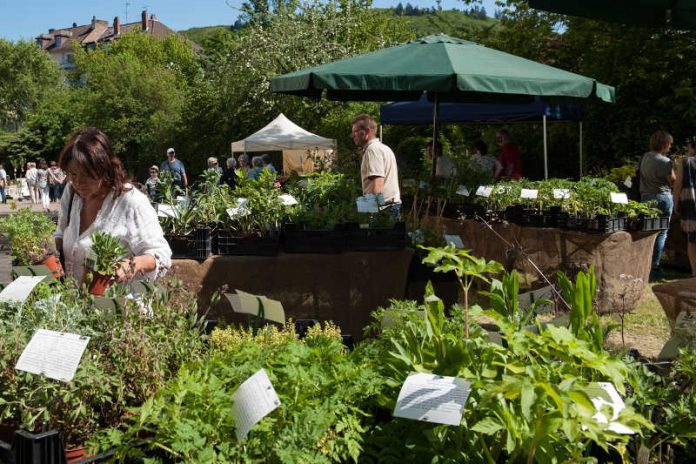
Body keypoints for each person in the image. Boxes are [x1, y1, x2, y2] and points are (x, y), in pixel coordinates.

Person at [55, 127, 171, 285]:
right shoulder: (71, 194)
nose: (78, 182)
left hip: (119, 305)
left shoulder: (130, 202)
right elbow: (60, 233)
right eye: (72, 174)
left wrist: (131, 265)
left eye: (86, 174)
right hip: (75, 305)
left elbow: (160, 254)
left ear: (104, 168)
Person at [640, 130, 676, 277]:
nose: (670, 147)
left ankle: (642, 263)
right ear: (664, 144)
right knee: (661, 232)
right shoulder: (665, 162)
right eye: (669, 144)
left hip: (646, 198)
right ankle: (655, 267)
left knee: (648, 231)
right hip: (662, 198)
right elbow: (673, 180)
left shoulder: (645, 157)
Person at [351, 114, 401, 216]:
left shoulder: (372, 150)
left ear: (367, 132)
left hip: (383, 210)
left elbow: (377, 181)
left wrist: (370, 212)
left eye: (356, 131)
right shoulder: (383, 148)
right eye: (353, 132)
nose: (353, 135)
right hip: (389, 207)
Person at [674, 141, 696, 277]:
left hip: (692, 205)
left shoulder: (686, 162)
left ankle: (695, 273)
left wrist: (676, 204)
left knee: (693, 240)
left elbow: (678, 185)